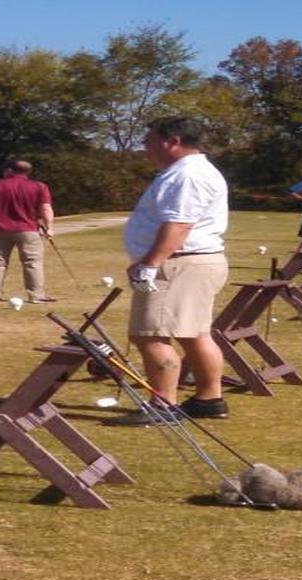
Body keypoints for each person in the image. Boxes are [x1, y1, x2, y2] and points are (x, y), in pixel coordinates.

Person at [109, 116, 231, 425]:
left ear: (172, 140)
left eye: (149, 139)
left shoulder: (187, 175)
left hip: (179, 262)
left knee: (149, 335)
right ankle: (209, 399)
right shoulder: (186, 171)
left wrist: (150, 264)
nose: (144, 146)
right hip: (193, 260)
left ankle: (162, 405)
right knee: (195, 335)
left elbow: (178, 225)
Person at [0, 159, 56, 303]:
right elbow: (45, 208)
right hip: (28, 229)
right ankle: (36, 296)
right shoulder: (39, 186)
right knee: (32, 262)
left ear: (10, 170)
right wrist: (49, 227)